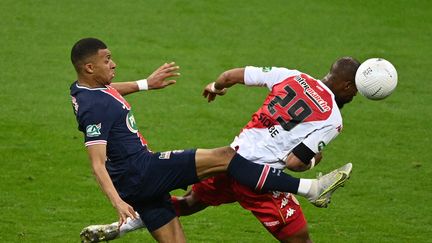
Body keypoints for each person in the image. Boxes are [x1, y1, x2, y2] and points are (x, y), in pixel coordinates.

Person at [70, 37, 352, 243]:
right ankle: (312, 188)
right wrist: (118, 203)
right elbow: (97, 163)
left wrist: (146, 84)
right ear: (90, 68)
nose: (114, 63)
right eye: (107, 60)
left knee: (193, 201)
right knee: (226, 158)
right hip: (142, 171)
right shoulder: (96, 108)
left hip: (139, 183)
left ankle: (123, 226)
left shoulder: (83, 91)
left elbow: (107, 92)